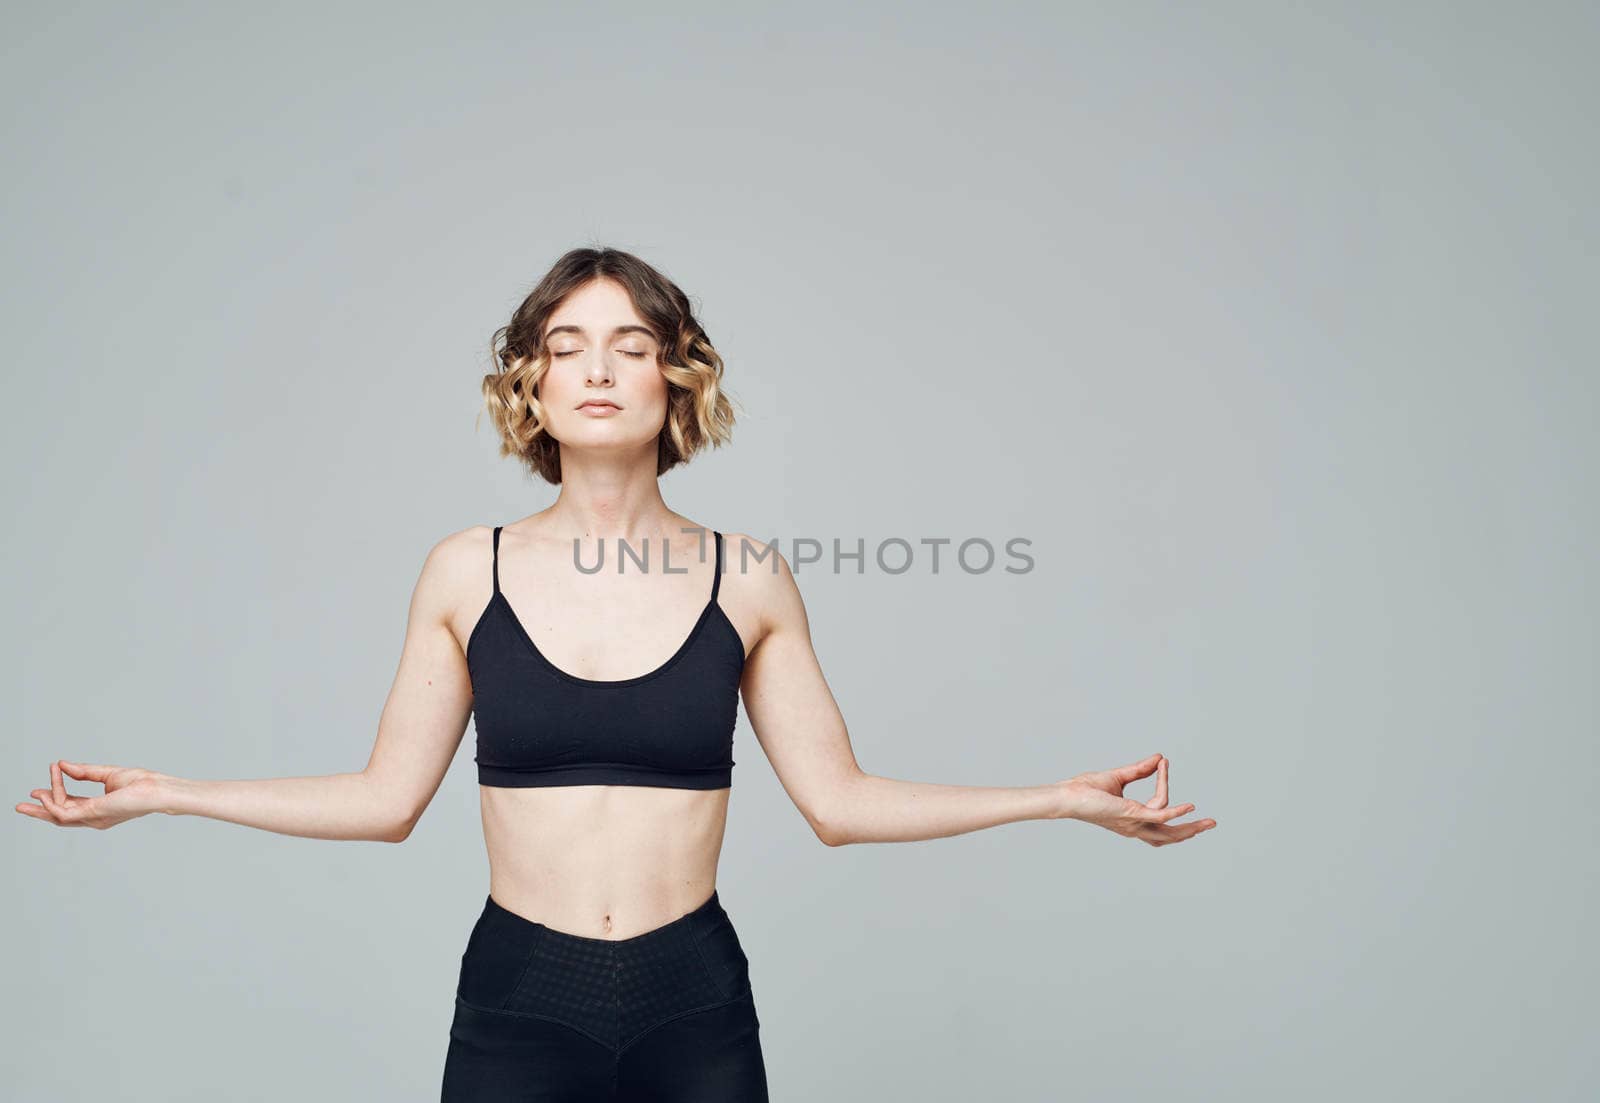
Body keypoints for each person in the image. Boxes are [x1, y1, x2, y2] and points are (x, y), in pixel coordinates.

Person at [18, 246, 1217, 1101]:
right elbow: (385, 803)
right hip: (516, 1002)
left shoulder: (746, 575)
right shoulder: (462, 570)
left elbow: (842, 805)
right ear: (531, 384)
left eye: (631, 345)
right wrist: (173, 790)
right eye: (566, 346)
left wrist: (1058, 798)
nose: (597, 368)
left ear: (675, 380)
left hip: (693, 1003)